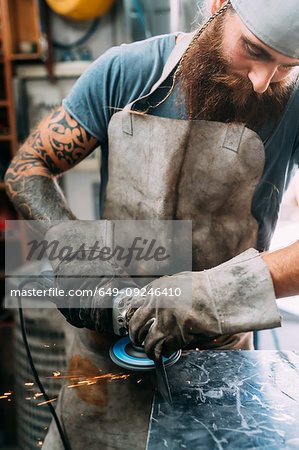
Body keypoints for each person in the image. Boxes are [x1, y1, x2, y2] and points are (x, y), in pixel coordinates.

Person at [4, 0, 299, 448]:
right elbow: (27, 167)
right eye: (254, 50)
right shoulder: (127, 72)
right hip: (105, 354)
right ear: (219, 5)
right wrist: (73, 250)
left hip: (219, 360)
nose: (264, 82)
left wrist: (211, 294)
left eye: (286, 67)